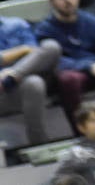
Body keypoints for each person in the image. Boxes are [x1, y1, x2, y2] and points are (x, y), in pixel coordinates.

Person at [0, 10, 60, 144]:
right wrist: (21, 49)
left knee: (51, 46)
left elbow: (35, 53)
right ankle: (39, 143)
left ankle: (12, 76)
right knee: (33, 81)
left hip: (22, 78)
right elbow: (27, 52)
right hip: (3, 95)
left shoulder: (17, 24)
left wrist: (13, 71)